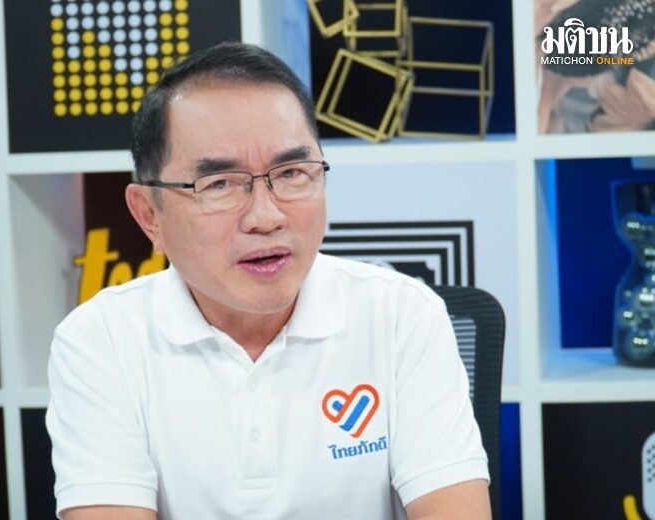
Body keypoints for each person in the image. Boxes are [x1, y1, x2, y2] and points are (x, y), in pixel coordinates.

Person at [46, 41, 491, 520]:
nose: (265, 217)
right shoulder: (100, 341)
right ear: (149, 215)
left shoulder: (402, 316)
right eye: (219, 184)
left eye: (292, 172)